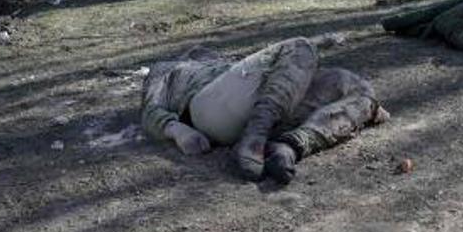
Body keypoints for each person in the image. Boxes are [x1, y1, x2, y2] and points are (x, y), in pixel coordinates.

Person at [140, 37, 387, 184]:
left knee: (357, 87)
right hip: (211, 108)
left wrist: (363, 108)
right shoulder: (171, 68)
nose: (201, 50)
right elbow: (150, 108)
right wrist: (176, 130)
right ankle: (255, 137)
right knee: (301, 46)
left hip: (262, 105)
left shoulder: (227, 65)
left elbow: (280, 73)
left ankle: (291, 146)